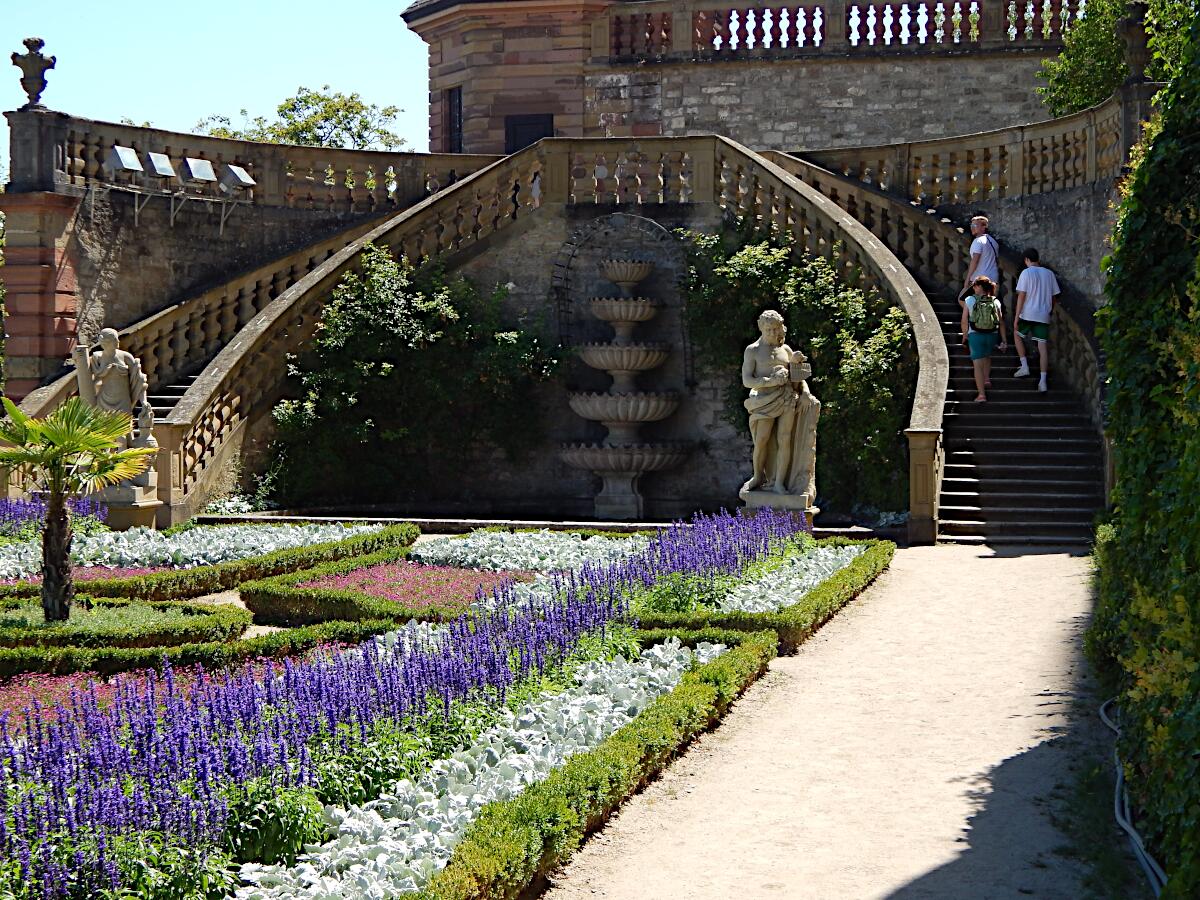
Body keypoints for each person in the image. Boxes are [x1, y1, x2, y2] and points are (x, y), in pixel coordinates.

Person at [740, 310, 820, 500]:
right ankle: (758, 477)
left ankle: (779, 483)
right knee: (762, 440)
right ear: (761, 328)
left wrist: (806, 393)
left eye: (776, 329)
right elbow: (746, 380)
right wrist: (769, 381)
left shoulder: (785, 350)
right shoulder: (753, 350)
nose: (773, 333)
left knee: (785, 439)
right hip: (764, 401)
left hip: (787, 399)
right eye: (769, 330)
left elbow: (797, 375)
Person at [1013, 247, 1061, 393]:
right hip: (1043, 314)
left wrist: (1016, 317)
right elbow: (1054, 297)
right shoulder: (1049, 273)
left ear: (1027, 259)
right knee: (1042, 347)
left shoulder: (1026, 273)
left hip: (1028, 313)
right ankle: (1043, 380)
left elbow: (1022, 296)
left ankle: (1024, 366)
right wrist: (1049, 310)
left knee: (1017, 334)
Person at [960, 276, 1008, 402]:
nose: (973, 288)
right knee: (987, 356)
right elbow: (1001, 322)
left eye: (975, 285)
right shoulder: (995, 301)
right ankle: (986, 379)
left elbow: (964, 320)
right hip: (992, 335)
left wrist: (965, 335)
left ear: (979, 287)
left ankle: (981, 395)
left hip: (975, 335)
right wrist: (1004, 340)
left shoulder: (969, 300)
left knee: (977, 365)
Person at [962, 215, 1000, 295]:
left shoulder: (978, 241)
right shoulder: (994, 242)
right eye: (971, 225)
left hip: (981, 279)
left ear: (983, 227)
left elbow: (975, 261)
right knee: (987, 303)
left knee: (962, 299)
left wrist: (968, 278)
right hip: (993, 279)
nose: (972, 227)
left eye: (975, 225)